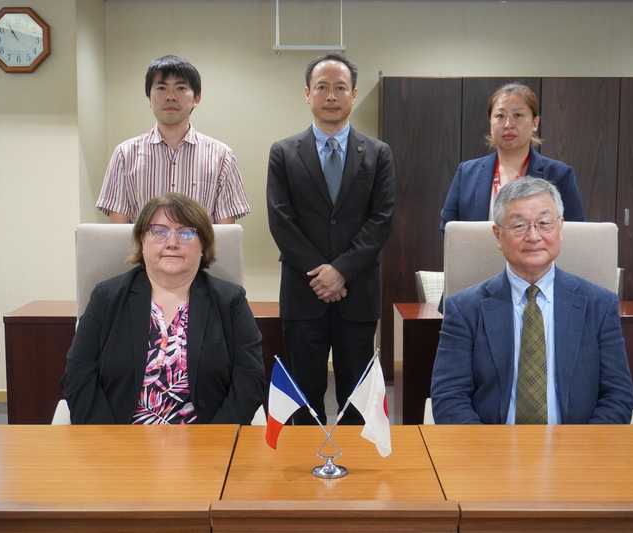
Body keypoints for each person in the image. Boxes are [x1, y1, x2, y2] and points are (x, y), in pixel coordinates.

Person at [430, 176, 633, 424]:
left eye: (544, 223)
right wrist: (486, 447)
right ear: (498, 235)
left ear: (560, 229)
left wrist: (583, 446)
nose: (533, 236)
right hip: (491, 442)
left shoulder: (599, 304)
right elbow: (449, 397)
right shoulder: (464, 308)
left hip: (577, 443)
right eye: (519, 225)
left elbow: (618, 396)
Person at [266, 53, 396, 425]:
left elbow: (382, 219)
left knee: (357, 400)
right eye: (322, 87)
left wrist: (340, 271)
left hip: (357, 293)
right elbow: (280, 220)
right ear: (307, 94)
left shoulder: (378, 153)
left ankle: (353, 459)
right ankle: (305, 457)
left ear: (353, 95)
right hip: (302, 291)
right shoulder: (284, 152)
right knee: (303, 399)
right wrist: (321, 273)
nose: (331, 95)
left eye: (340, 87)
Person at [61, 193, 266, 424]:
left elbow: (250, 378)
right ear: (142, 240)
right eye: (159, 232)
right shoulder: (107, 297)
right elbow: (78, 375)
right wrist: (109, 439)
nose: (172, 243)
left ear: (202, 245)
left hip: (207, 439)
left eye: (186, 233)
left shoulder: (230, 301)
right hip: (118, 437)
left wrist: (216, 439)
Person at [96, 55, 250, 224]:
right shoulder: (125, 155)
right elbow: (119, 231)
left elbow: (225, 233)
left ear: (197, 99)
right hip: (143, 244)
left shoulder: (222, 156)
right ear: (149, 98)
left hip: (199, 244)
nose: (170, 96)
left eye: (180, 88)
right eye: (161, 88)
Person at [440, 83, 585, 236]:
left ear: (535, 123)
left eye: (518, 115)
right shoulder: (467, 172)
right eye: (500, 116)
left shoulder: (559, 174)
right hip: (479, 252)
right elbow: (448, 229)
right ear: (490, 123)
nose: (508, 125)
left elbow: (574, 232)